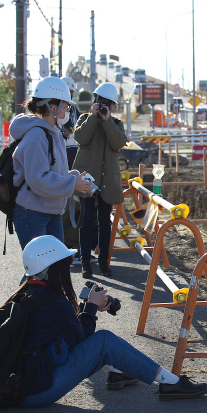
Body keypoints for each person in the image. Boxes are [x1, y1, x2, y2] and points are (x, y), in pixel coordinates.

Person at [15, 235, 207, 407]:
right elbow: (81, 339)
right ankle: (171, 383)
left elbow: (62, 329)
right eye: (65, 263)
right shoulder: (53, 303)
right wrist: (90, 307)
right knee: (104, 341)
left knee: (99, 345)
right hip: (37, 390)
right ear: (53, 268)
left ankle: (119, 371)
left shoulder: (27, 292)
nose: (68, 267)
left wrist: (86, 308)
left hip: (21, 381)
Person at [10, 77, 91, 253]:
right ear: (53, 108)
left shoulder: (53, 133)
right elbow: (38, 179)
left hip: (50, 211)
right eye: (65, 106)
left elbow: (52, 172)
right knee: (40, 271)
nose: (68, 111)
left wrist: (73, 176)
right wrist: (72, 183)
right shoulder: (36, 136)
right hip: (31, 212)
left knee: (55, 267)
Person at [73, 82, 127, 279]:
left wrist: (106, 121)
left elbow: (118, 143)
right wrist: (93, 118)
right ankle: (86, 262)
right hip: (88, 179)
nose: (103, 105)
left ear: (112, 106)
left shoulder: (116, 124)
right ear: (94, 100)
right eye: (100, 101)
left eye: (107, 103)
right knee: (87, 222)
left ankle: (104, 262)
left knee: (105, 222)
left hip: (108, 180)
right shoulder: (84, 119)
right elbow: (81, 138)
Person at [60, 76, 81, 170]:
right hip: (60, 149)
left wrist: (72, 132)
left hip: (73, 148)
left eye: (72, 92)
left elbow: (78, 125)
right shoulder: (54, 108)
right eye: (69, 92)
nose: (70, 95)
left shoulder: (73, 109)